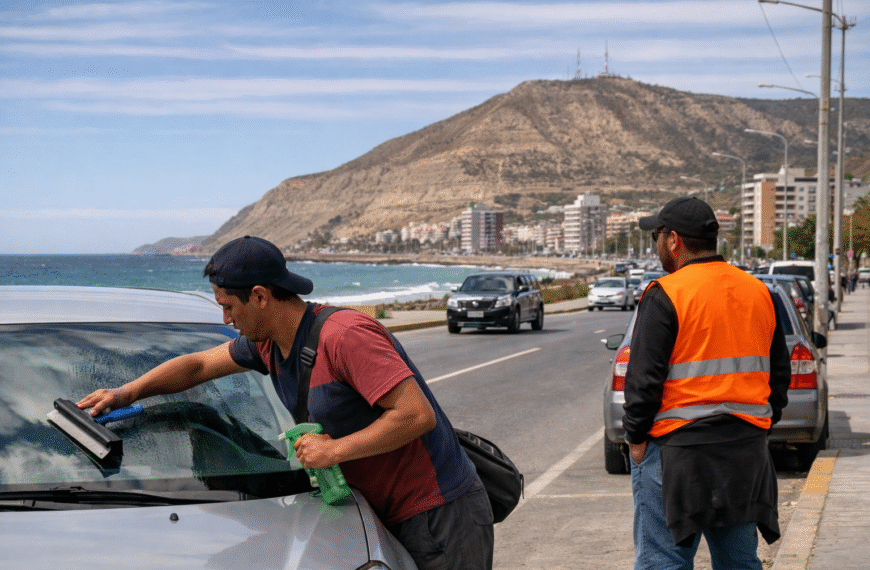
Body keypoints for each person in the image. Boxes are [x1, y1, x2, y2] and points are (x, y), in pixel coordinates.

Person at [77, 235, 494, 570]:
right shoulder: (270, 345)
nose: (225, 320)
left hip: (437, 514)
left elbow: (415, 414)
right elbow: (198, 366)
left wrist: (334, 450)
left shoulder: (344, 336)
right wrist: (127, 392)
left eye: (228, 306)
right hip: (375, 512)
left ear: (260, 296)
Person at [622, 197, 791, 570]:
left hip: (678, 453)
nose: (656, 244)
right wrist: (763, 425)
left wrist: (636, 440)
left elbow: (643, 381)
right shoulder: (758, 292)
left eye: (657, 236)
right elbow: (780, 375)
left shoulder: (666, 293)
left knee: (664, 563)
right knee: (738, 562)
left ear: (674, 241)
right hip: (745, 452)